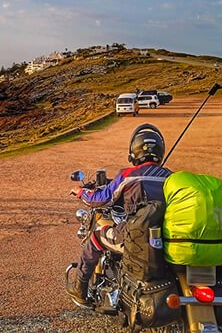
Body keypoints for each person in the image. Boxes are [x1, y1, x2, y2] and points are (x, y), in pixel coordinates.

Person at [66, 124, 172, 307]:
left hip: (134, 238)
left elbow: (101, 200)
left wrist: (81, 192)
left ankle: (80, 289)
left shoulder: (128, 175)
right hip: (166, 238)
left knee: (97, 237)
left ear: (134, 152)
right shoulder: (172, 177)